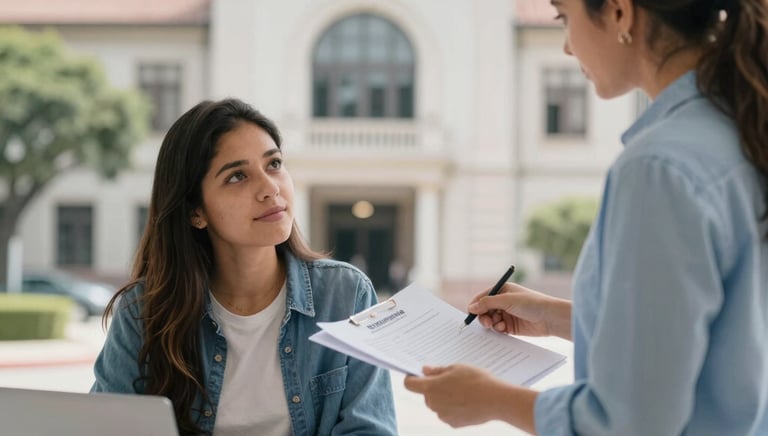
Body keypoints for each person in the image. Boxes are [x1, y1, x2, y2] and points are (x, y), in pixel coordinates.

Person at [405, 0, 768, 434]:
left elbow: (632, 423)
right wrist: (557, 315)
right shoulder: (741, 129)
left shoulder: (659, 168)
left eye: (564, 17)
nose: (566, 48)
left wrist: (492, 400)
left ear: (619, 13)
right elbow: (719, 340)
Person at [91, 98, 397, 436]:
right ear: (196, 211)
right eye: (238, 176)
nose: (270, 188)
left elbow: (370, 429)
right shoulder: (144, 310)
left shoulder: (345, 295)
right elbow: (106, 425)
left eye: (274, 164)